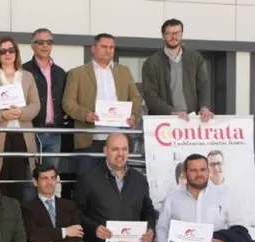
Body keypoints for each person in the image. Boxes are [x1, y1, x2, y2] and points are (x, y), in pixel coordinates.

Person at [62, 33, 142, 177]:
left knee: (117, 179)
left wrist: (134, 115)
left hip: (118, 138)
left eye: (111, 47)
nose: (108, 50)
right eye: (104, 47)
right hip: (89, 138)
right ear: (93, 48)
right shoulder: (77, 73)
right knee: (87, 181)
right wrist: (85, 115)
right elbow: (68, 102)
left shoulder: (124, 71)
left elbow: (136, 98)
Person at [0, 36, 41, 203]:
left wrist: (21, 112)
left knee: (19, 182)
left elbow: (36, 105)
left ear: (16, 53)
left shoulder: (27, 76)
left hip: (22, 135)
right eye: (3, 51)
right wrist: (0, 115)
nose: (7, 54)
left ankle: (15, 216)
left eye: (11, 50)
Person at [141, 19, 213, 122]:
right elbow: (150, 95)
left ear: (182, 34)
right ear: (163, 36)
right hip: (164, 121)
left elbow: (203, 86)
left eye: (177, 33)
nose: (173, 37)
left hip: (192, 120)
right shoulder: (152, 62)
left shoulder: (195, 58)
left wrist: (204, 107)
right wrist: (172, 112)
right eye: (169, 33)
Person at [22, 28, 68, 169]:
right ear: (32, 45)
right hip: (31, 131)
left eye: (48, 42)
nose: (45, 46)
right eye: (40, 42)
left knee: (50, 174)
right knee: (30, 173)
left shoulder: (60, 73)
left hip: (55, 132)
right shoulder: (23, 71)